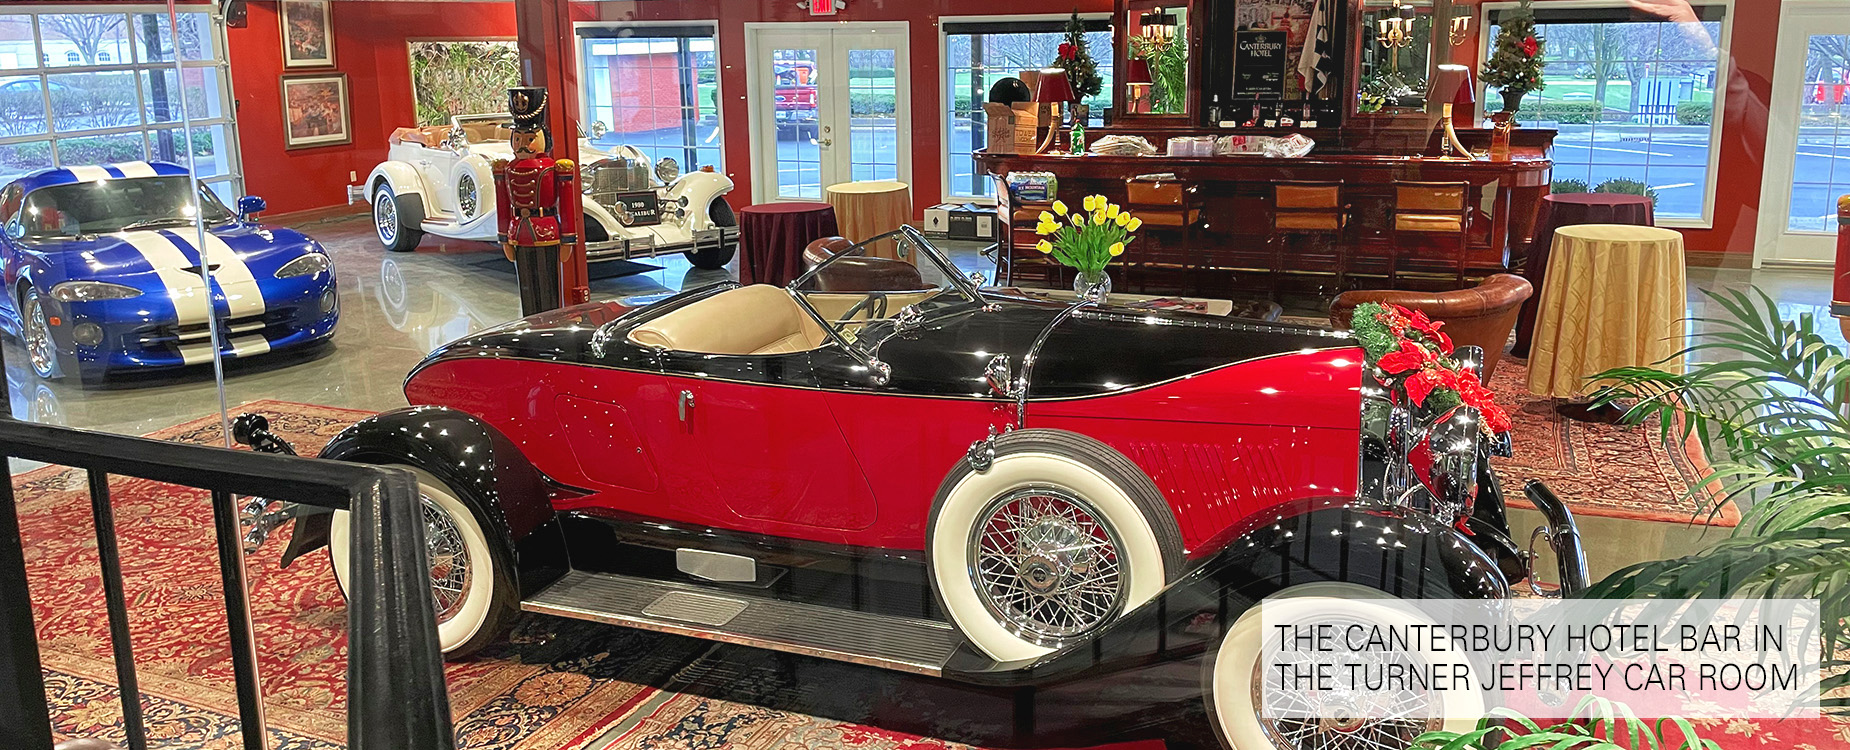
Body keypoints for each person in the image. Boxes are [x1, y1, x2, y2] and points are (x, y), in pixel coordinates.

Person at [492, 86, 577, 316]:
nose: (523, 144)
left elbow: (567, 204)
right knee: (526, 287)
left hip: (547, 230)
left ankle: (551, 328)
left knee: (549, 286)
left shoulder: (555, 167)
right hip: (519, 232)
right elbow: (503, 205)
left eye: (530, 138)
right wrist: (504, 239)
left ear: (543, 138)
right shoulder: (506, 168)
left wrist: (568, 239)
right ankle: (530, 326)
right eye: (518, 137)